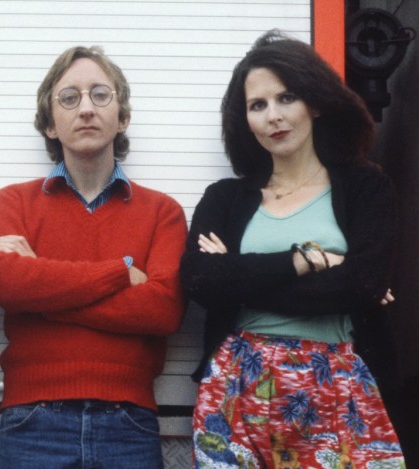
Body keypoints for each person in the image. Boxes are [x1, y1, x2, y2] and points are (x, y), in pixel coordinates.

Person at [181, 30, 405, 467]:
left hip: (336, 386)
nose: (273, 117)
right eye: (257, 105)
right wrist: (305, 260)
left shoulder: (365, 186)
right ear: (243, 118)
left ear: (316, 102)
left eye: (286, 98)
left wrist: (240, 276)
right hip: (236, 386)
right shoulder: (225, 198)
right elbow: (201, 281)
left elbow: (362, 285)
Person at [0, 45, 187, 468]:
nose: (87, 109)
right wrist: (122, 271)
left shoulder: (162, 211)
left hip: (129, 421)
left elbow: (163, 310)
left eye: (100, 95)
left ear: (123, 117)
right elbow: (10, 286)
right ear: (49, 125)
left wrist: (44, 291)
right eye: (69, 98)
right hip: (32, 418)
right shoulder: (13, 202)